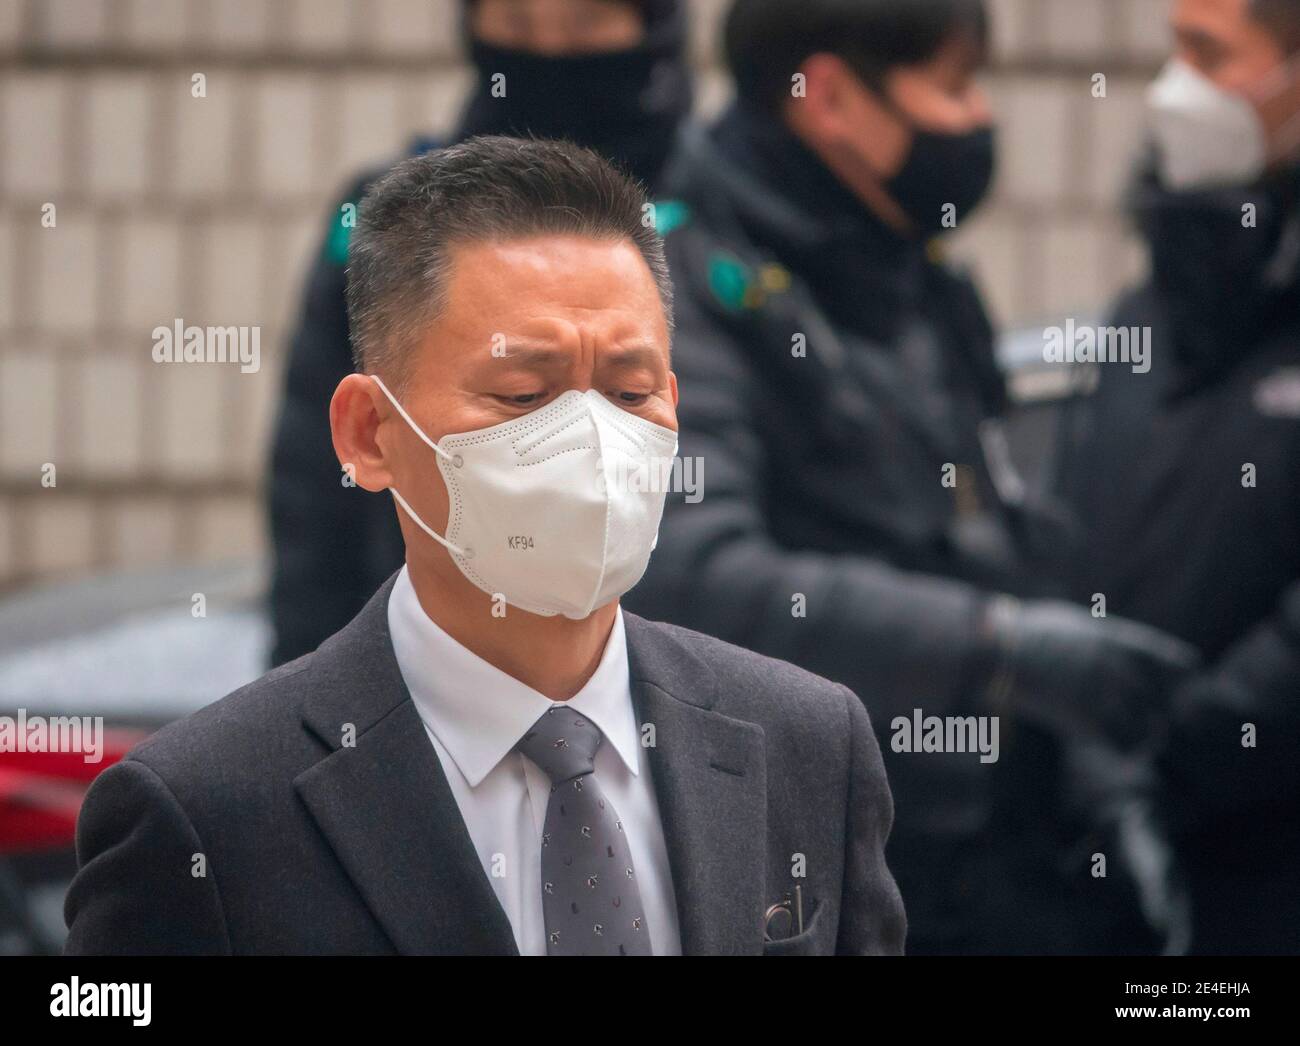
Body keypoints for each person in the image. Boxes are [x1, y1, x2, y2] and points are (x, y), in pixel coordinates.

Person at [62, 137, 906, 956]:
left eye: (630, 392)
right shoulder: (208, 810)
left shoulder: (808, 746)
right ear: (370, 432)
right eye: (523, 393)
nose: (591, 439)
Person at [621, 0, 1199, 954]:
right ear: (832, 98)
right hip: (819, 860)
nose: (978, 119)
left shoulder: (906, 266)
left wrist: (1088, 749)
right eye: (952, 84)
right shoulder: (681, 281)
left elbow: (991, 516)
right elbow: (694, 574)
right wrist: (997, 649)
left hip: (992, 845)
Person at [267, 0, 693, 666]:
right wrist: (312, 694)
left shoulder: (729, 209)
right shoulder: (388, 218)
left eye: (585, 26)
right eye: (518, 27)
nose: (549, 55)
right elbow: (314, 501)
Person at [1057, 0, 1300, 955]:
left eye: (1209, 53)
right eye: (1171, 50)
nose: (1175, 89)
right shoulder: (1154, 301)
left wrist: (1168, 752)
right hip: (1120, 862)